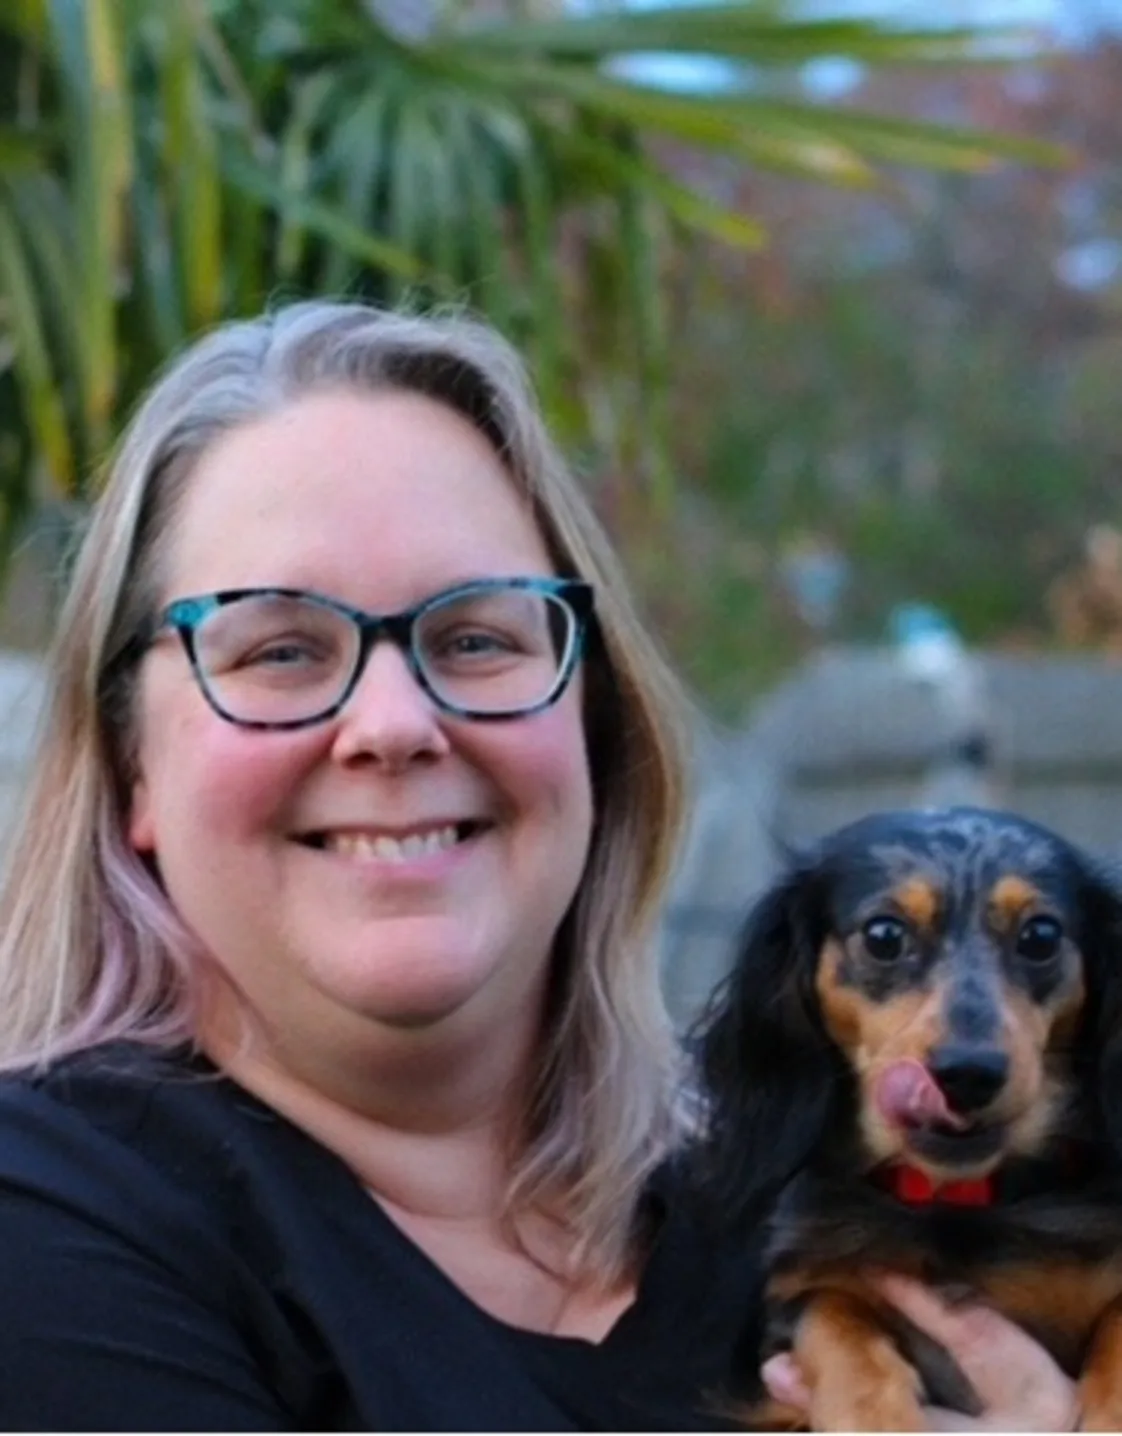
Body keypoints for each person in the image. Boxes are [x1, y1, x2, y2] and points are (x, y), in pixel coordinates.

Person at [0, 300, 1079, 1430]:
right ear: (132, 767)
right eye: (278, 648)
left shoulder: (802, 1217)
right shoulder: (49, 1231)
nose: (394, 721)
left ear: (595, 728)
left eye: (475, 637)